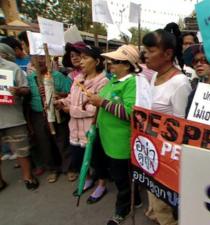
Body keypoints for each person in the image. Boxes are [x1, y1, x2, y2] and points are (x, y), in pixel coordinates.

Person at [86, 44, 149, 225]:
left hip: (121, 142)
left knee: (122, 180)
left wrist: (102, 102)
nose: (109, 64)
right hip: (108, 139)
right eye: (110, 60)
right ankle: (134, 199)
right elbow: (102, 104)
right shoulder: (113, 80)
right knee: (121, 176)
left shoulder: (133, 83)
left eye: (115, 61)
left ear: (127, 65)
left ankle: (122, 210)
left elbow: (131, 113)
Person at [143, 29, 192, 225]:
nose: (145, 54)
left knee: (164, 201)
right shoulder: (155, 76)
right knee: (153, 194)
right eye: (145, 49)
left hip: (166, 154)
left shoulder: (180, 83)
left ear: (168, 54)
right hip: (150, 148)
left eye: (150, 49)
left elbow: (181, 127)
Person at [56, 44, 109, 185]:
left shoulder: (103, 83)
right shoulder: (78, 79)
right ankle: (87, 179)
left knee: (96, 160)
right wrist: (61, 103)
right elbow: (71, 98)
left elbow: (95, 109)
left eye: (85, 58)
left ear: (97, 62)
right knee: (78, 158)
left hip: (91, 130)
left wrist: (71, 110)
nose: (81, 61)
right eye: (81, 58)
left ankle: (101, 184)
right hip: (75, 129)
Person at [27, 55, 72, 183]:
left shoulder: (57, 76)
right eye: (36, 58)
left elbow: (70, 93)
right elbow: (26, 97)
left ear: (48, 60)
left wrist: (53, 92)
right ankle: (52, 169)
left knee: (62, 140)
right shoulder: (30, 79)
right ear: (31, 61)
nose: (39, 61)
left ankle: (69, 168)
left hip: (57, 112)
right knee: (44, 142)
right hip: (39, 114)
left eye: (42, 58)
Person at [0, 56, 38, 190]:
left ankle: (28, 177)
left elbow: (26, 89)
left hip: (12, 118)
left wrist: (18, 91)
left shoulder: (11, 67)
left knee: (22, 150)